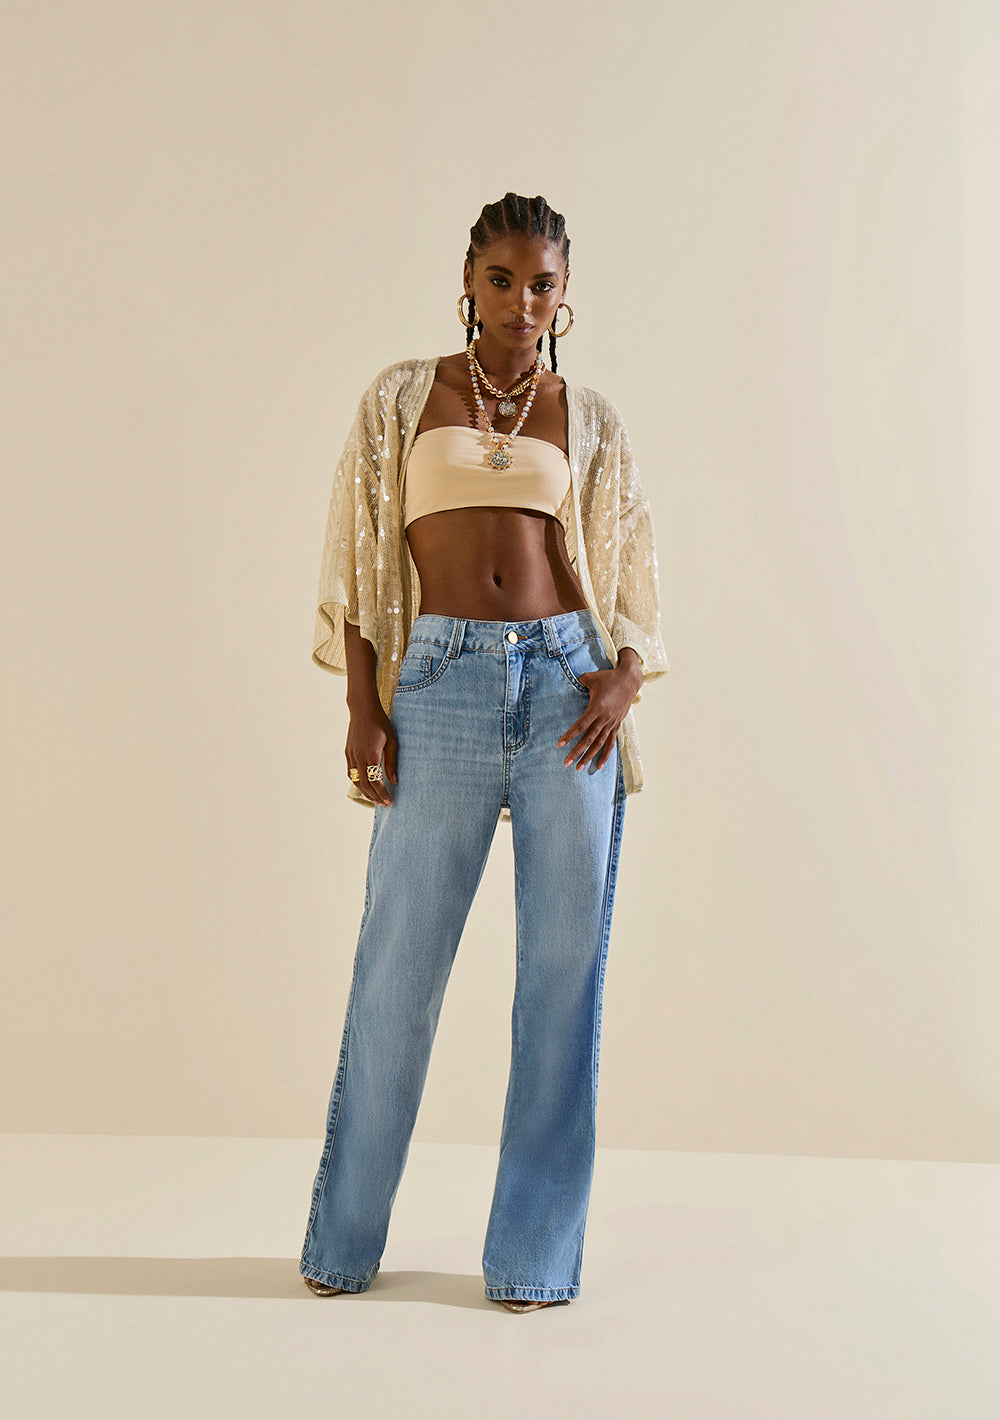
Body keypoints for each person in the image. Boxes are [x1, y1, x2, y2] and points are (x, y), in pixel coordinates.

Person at [299, 192, 669, 1312]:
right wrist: (363, 704)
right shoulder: (401, 398)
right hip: (439, 686)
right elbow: (360, 553)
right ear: (469, 279)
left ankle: (532, 1261)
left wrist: (623, 675)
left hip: (568, 692)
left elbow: (630, 563)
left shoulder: (586, 415)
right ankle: (342, 1244)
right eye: (502, 279)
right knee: (396, 972)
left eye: (541, 283)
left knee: (562, 976)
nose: (521, 301)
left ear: (565, 293)